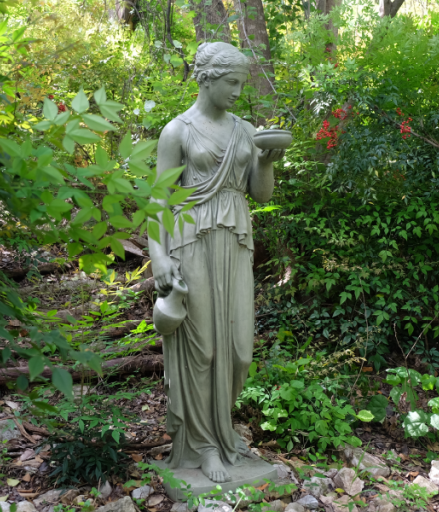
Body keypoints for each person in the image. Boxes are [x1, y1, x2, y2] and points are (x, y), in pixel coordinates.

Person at [148, 41, 285, 484]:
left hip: (235, 239)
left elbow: (260, 194)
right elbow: (158, 198)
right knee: (202, 346)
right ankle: (203, 446)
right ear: (207, 79)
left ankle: (224, 434)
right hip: (190, 239)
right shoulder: (178, 131)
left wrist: (265, 162)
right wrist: (158, 256)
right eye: (232, 82)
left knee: (239, 349)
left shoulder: (245, 130)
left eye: (242, 83)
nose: (238, 92)